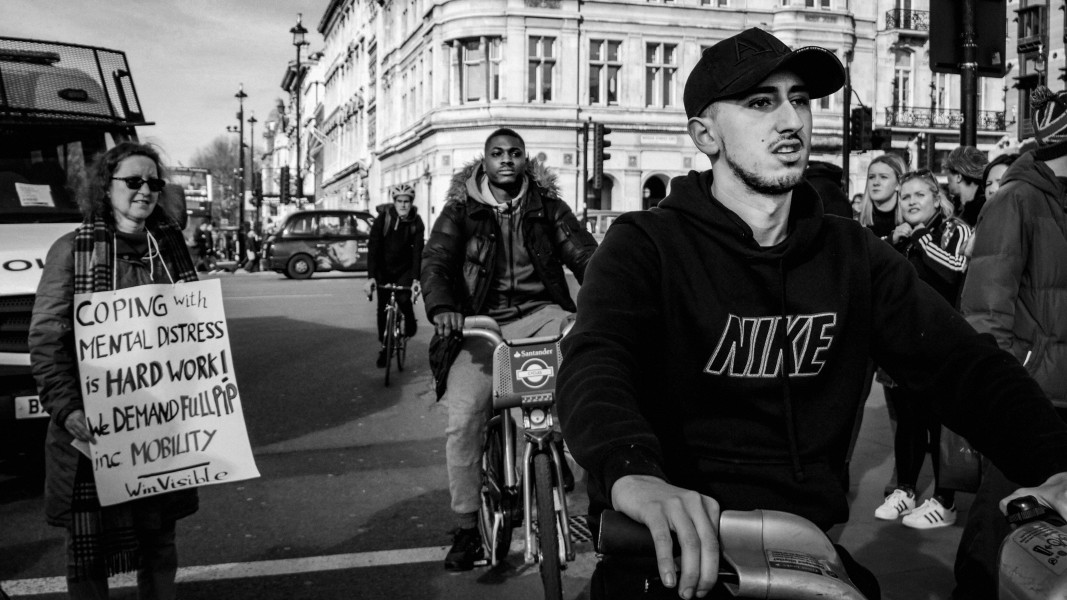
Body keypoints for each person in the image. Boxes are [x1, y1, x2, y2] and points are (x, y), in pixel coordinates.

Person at [556, 28, 1067, 600]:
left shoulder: (852, 256)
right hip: (672, 551)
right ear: (705, 134)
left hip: (806, 556)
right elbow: (597, 360)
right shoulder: (645, 245)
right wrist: (633, 473)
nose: (791, 120)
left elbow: (964, 367)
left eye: (798, 99)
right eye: (759, 102)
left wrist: (1056, 462)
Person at [28, 142, 199, 599]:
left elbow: (194, 332)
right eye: (134, 181)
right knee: (86, 551)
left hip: (161, 424)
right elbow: (47, 338)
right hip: (94, 425)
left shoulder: (171, 250)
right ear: (107, 187)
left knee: (159, 538)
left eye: (154, 183)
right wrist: (65, 408)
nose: (145, 191)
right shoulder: (71, 251)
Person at [421, 127, 597, 571]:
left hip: (542, 316)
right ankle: (466, 529)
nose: (506, 160)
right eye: (497, 153)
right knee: (463, 421)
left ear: (524, 160)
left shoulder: (548, 208)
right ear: (485, 161)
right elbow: (437, 260)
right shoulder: (460, 212)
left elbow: (586, 255)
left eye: (514, 153)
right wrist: (443, 307)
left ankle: (589, 506)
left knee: (581, 403)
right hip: (480, 325)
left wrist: (605, 291)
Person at [952, 85, 1067, 600]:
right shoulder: (1017, 200)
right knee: (1002, 523)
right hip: (1031, 393)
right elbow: (983, 310)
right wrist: (999, 398)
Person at [874, 169, 971, 529]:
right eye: (906, 197)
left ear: (936, 198)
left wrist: (920, 238)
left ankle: (945, 501)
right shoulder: (903, 235)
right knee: (909, 420)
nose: (911, 202)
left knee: (941, 423)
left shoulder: (953, 228)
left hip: (943, 343)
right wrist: (895, 240)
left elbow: (954, 269)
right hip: (905, 342)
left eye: (919, 195)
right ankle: (905, 491)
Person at [364, 183, 426, 367]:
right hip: (384, 268)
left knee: (403, 298)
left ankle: (410, 322)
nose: (403, 205)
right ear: (394, 202)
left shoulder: (416, 222)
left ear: (411, 202)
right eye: (399, 201)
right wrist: (371, 277)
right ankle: (385, 347)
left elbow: (418, 252)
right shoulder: (383, 219)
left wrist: (416, 279)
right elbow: (373, 247)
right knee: (383, 307)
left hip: (404, 269)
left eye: (406, 201)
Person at [857, 153, 907, 240]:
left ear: (899, 184)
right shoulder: (856, 221)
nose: (876, 182)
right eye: (871, 177)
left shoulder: (910, 220)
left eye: (883, 177)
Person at [942, 145, 988, 227]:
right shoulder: (984, 204)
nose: (947, 177)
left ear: (959, 177)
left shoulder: (978, 212)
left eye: (948, 172)